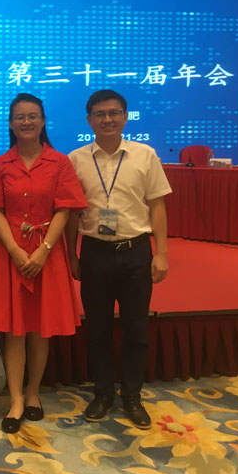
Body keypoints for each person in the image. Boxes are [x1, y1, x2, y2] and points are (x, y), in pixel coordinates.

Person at [65, 88, 171, 430]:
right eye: (100, 114)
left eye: (114, 113)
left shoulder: (145, 155)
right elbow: (71, 214)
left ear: (125, 117)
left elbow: (157, 205)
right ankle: (103, 394)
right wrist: (71, 254)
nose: (107, 119)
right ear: (89, 120)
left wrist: (162, 253)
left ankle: (132, 396)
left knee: (136, 328)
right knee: (97, 329)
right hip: (94, 253)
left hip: (135, 252)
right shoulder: (76, 159)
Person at [0, 93, 87, 434]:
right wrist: (14, 250)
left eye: (33, 116)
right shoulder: (0, 165)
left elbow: (64, 209)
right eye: (20, 117)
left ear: (42, 121)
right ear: (11, 124)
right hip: (10, 253)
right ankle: (15, 399)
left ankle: (33, 393)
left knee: (41, 328)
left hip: (48, 253)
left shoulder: (59, 162)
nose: (26, 122)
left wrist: (43, 250)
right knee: (15, 330)